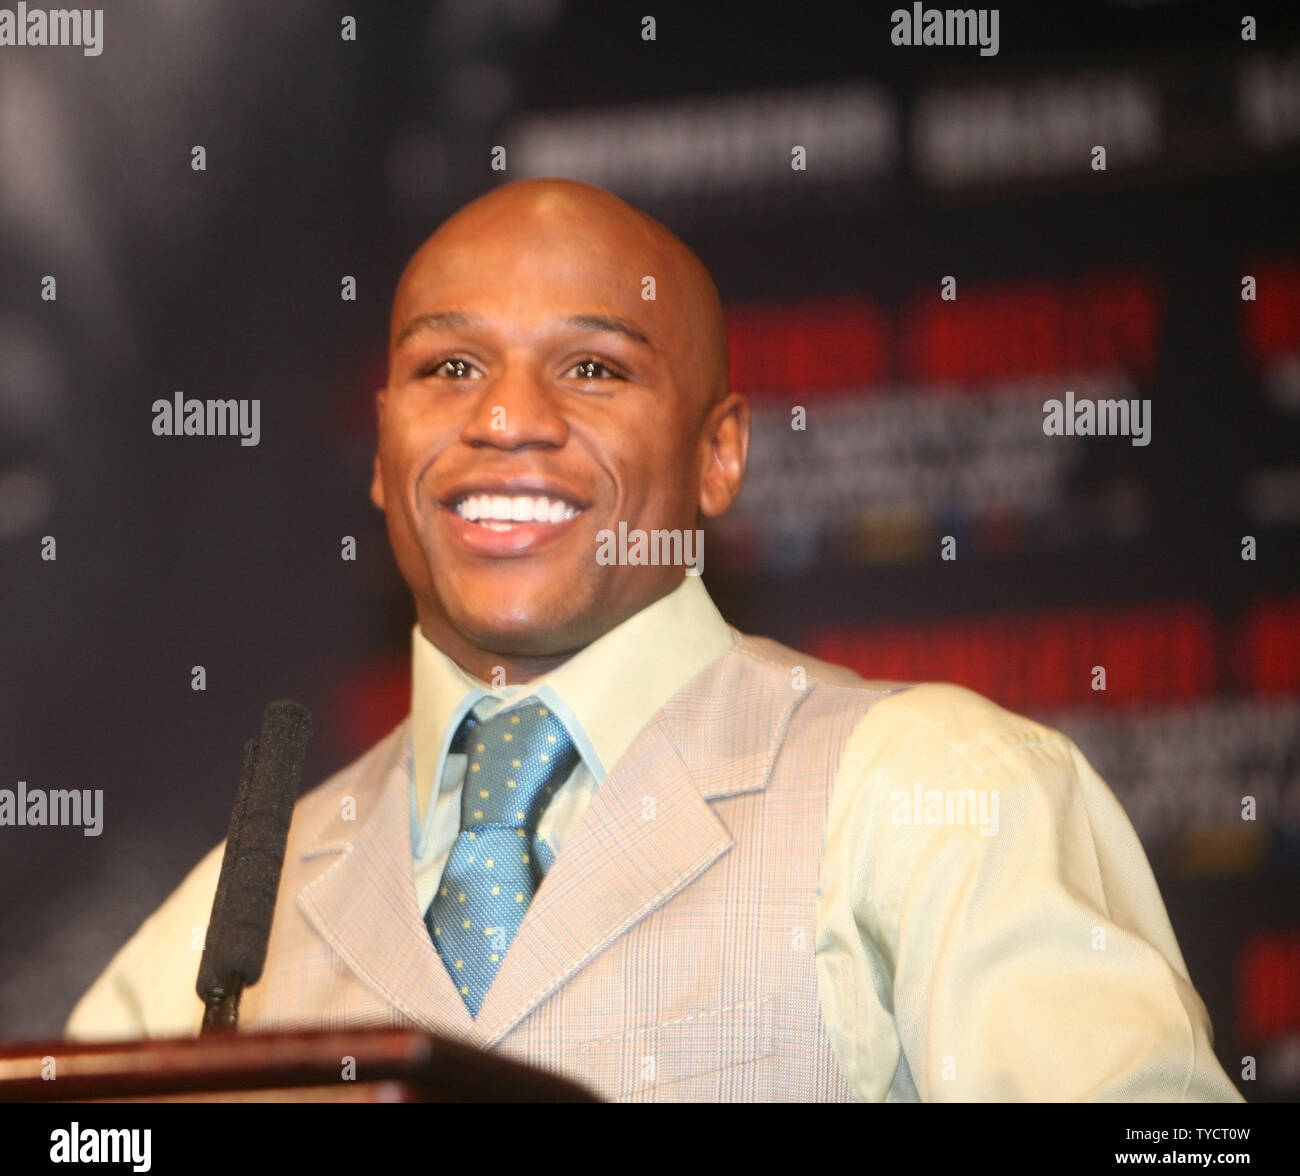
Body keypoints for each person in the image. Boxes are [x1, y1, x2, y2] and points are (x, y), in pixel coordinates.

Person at [66, 178, 1243, 1103]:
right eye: (449, 365)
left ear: (718, 453)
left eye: (591, 368)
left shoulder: (932, 796)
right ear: (380, 449)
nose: (506, 418)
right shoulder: (231, 919)